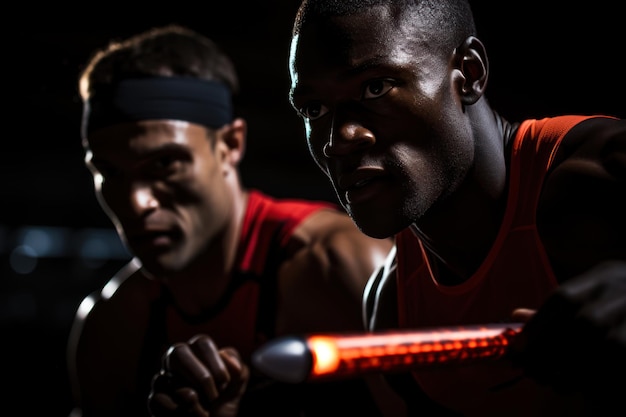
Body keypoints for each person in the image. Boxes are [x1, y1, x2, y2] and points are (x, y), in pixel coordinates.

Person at [286, 1, 626, 416]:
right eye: (314, 110)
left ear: (469, 73)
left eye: (376, 87)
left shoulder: (601, 172)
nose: (338, 139)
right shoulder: (391, 307)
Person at [66, 24, 403, 417]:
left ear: (230, 145)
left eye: (165, 164)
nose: (137, 202)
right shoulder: (111, 324)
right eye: (109, 172)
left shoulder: (339, 265)